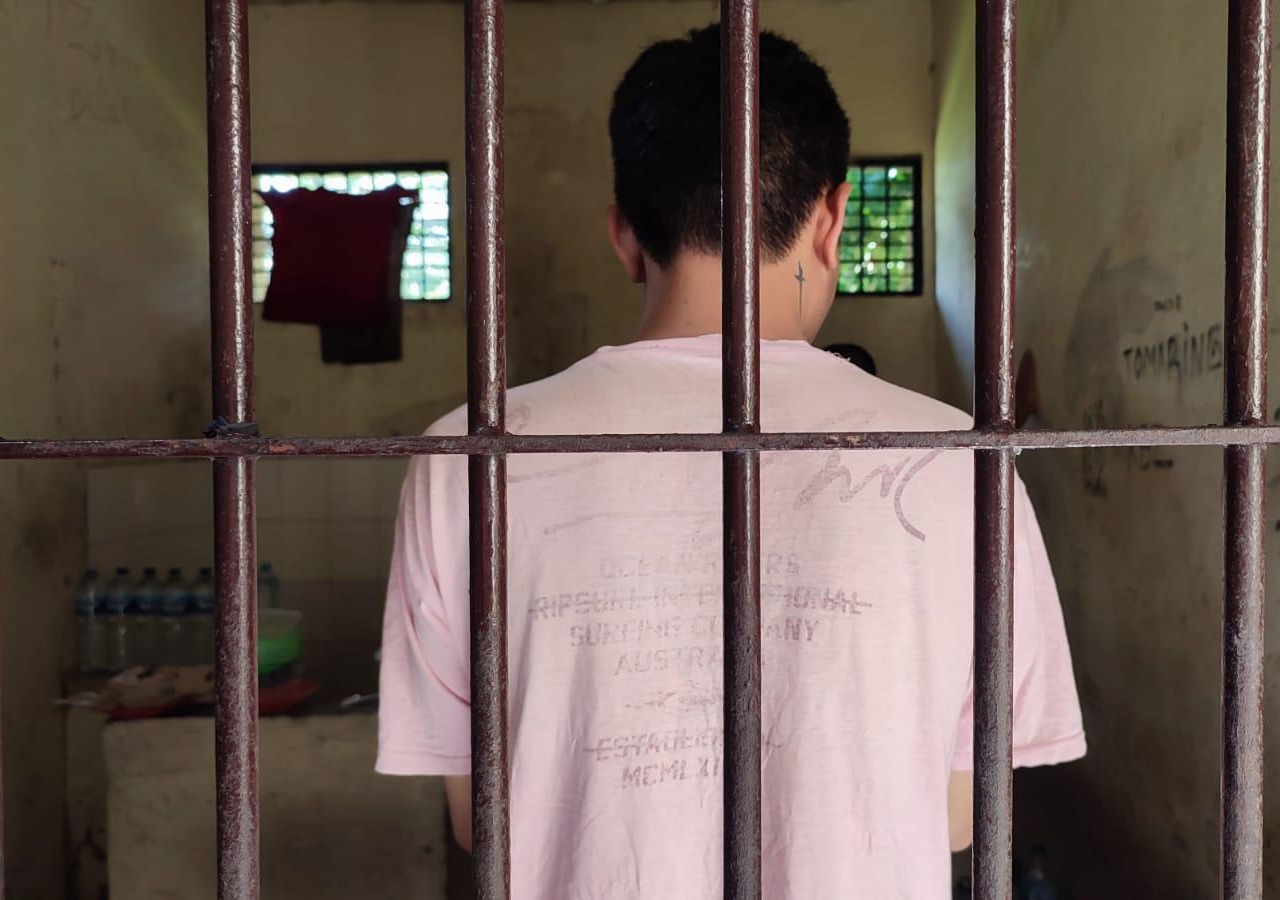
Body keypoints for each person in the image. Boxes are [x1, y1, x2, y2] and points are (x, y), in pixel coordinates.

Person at [376, 24, 1084, 899]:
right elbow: (956, 819)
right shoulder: (964, 462)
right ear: (832, 220)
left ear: (623, 236)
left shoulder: (466, 456)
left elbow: (477, 819)